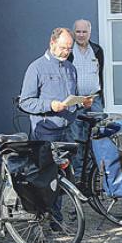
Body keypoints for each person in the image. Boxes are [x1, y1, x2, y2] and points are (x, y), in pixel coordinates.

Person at [19, 27, 92, 142]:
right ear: (52, 43)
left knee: (72, 160)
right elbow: (25, 102)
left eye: (69, 49)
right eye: (63, 48)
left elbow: (71, 100)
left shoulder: (71, 68)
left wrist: (82, 102)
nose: (66, 52)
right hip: (46, 134)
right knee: (47, 161)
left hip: (69, 132)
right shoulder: (36, 68)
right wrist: (50, 105)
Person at [67, 19, 104, 179]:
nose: (81, 35)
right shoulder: (69, 51)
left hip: (94, 100)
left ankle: (92, 176)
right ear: (74, 32)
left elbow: (100, 74)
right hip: (76, 101)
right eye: (78, 32)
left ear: (90, 32)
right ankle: (78, 177)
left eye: (84, 32)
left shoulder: (96, 50)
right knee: (77, 139)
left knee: (96, 138)